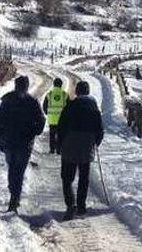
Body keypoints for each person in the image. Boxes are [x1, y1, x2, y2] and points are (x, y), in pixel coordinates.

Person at [0, 75, 44, 213]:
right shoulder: (32, 102)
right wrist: (34, 132)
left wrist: (0, 134)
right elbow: (41, 121)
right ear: (26, 87)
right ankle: (15, 196)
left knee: (12, 168)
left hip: (9, 141)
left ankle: (14, 195)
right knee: (19, 171)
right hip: (24, 143)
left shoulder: (7, 100)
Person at [58, 81, 103, 220]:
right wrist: (96, 142)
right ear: (88, 92)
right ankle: (81, 206)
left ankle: (70, 204)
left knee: (67, 177)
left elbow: (61, 126)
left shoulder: (70, 106)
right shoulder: (93, 107)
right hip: (87, 143)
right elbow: (99, 129)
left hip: (70, 143)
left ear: (77, 92)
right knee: (84, 177)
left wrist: (60, 144)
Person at [42, 78, 67, 154]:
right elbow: (69, 106)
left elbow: (44, 105)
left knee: (52, 135)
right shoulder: (64, 95)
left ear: (54, 84)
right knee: (60, 135)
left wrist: (47, 113)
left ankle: (52, 149)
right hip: (62, 120)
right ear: (61, 85)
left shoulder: (49, 94)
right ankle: (59, 150)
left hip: (52, 119)